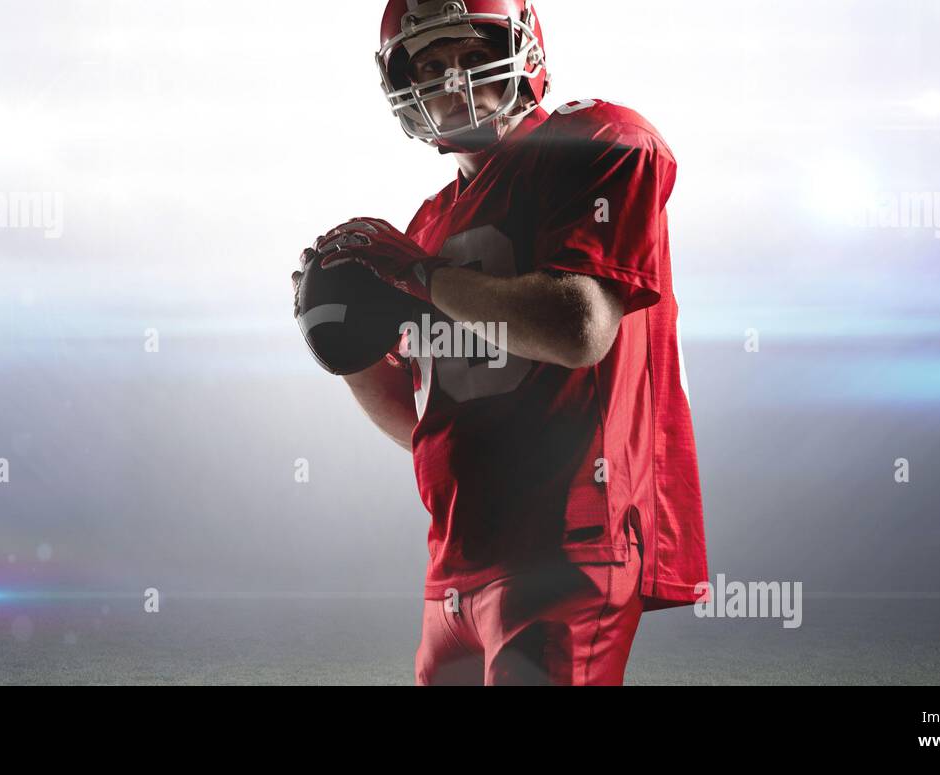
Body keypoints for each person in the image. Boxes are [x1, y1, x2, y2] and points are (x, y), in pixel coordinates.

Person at [293, 0, 708, 685]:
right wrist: (347, 344)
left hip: (567, 542)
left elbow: (580, 329)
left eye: (471, 54)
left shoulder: (596, 141)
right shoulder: (427, 223)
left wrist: (419, 275)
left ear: (524, 52)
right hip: (456, 561)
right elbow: (427, 422)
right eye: (428, 64)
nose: (452, 80)